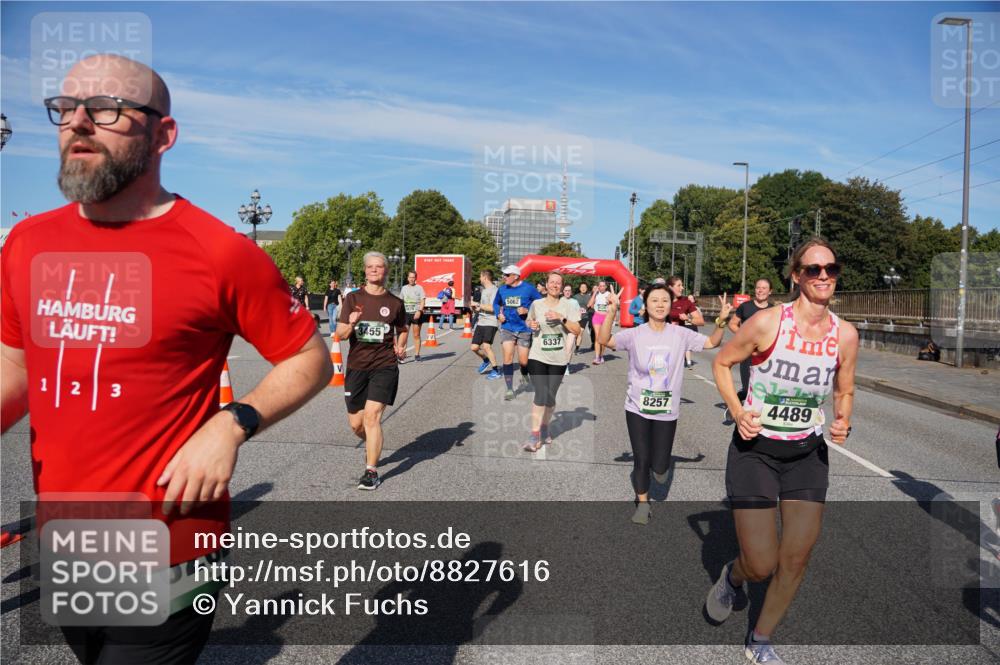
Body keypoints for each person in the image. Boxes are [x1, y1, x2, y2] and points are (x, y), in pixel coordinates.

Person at [0, 54, 332, 664]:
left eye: (106, 109)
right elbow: (16, 366)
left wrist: (233, 424)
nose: (78, 123)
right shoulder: (27, 242)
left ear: (163, 134)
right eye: (65, 109)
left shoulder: (218, 253)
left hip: (170, 543)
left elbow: (310, 359)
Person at [706, 238, 858, 665]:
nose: (823, 275)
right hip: (756, 451)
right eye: (813, 269)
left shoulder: (845, 334)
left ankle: (760, 639)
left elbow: (844, 388)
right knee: (760, 563)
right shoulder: (768, 323)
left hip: (807, 456)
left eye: (831, 267)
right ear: (796, 276)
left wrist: (843, 418)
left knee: (795, 558)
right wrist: (737, 412)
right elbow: (721, 363)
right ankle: (733, 578)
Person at [598, 285, 732, 524]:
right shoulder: (635, 334)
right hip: (636, 406)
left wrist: (721, 321)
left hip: (667, 410)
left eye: (664, 300)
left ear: (671, 305)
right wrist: (611, 312)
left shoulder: (680, 334)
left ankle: (660, 469)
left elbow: (711, 342)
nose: (660, 305)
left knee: (659, 466)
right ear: (646, 305)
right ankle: (642, 503)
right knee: (641, 459)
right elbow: (604, 339)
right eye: (654, 300)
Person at [337, 252, 408, 490]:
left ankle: (371, 471)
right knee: (357, 425)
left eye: (379, 267)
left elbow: (403, 329)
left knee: (372, 417)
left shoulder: (395, 303)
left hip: (384, 365)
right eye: (370, 267)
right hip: (357, 366)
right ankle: (373, 444)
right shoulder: (352, 299)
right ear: (365, 271)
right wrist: (353, 322)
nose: (375, 270)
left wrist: (400, 345)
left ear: (386, 271)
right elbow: (341, 335)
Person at [522, 272, 582, 452]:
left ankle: (545, 426)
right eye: (552, 282)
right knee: (540, 393)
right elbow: (529, 320)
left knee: (550, 397)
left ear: (562, 287)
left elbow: (577, 330)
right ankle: (534, 436)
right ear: (546, 285)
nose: (555, 285)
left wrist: (561, 318)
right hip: (538, 355)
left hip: (559, 358)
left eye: (558, 283)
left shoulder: (569, 305)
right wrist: (531, 325)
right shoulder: (536, 304)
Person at [493, 265, 543, 401]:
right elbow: (496, 303)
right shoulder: (502, 289)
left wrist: (528, 310)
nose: (504, 277)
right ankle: (509, 389)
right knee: (507, 358)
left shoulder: (529, 288)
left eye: (507, 275)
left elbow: (540, 303)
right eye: (504, 275)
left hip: (524, 328)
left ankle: (524, 374)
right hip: (507, 327)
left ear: (516, 276)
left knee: (523, 361)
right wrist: (498, 314)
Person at [728, 278, 775, 403]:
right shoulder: (745, 306)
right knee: (748, 387)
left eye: (764, 288)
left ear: (770, 291)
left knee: (763, 388)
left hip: (765, 354)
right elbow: (732, 324)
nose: (760, 291)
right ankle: (739, 401)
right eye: (758, 288)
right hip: (747, 353)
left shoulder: (773, 310)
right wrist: (745, 336)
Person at [667, 276, 704, 368]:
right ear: (670, 287)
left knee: (671, 376)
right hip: (660, 343)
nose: (682, 288)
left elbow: (701, 321)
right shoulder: (661, 300)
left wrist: (688, 318)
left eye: (682, 285)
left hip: (677, 344)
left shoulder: (686, 302)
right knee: (656, 374)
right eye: (679, 285)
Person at [471, 270, 501, 380]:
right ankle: (486, 360)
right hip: (481, 321)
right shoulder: (484, 291)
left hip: (490, 322)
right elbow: (483, 307)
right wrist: (476, 308)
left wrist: (478, 304)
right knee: (474, 347)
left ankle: (496, 370)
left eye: (480, 276)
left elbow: (493, 308)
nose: (479, 278)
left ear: (485, 277)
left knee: (486, 346)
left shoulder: (494, 290)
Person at [399, 271, 426, 362]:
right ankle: (402, 354)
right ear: (407, 278)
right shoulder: (404, 288)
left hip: (416, 314)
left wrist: (419, 311)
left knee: (416, 335)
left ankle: (417, 354)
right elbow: (400, 301)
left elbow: (422, 300)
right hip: (406, 314)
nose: (411, 279)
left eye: (413, 277)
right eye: (410, 277)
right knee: (404, 335)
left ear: (416, 278)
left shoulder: (419, 288)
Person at [588, 281, 613, 364]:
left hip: (606, 318)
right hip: (597, 317)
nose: (601, 287)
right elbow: (589, 304)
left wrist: (609, 301)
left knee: (603, 339)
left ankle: (601, 356)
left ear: (606, 287)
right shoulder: (596, 294)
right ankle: (597, 357)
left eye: (603, 286)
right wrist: (594, 293)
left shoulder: (609, 294)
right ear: (598, 287)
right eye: (600, 286)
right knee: (598, 337)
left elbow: (614, 303)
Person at [560, 284, 583, 374]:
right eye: (566, 290)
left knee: (569, 349)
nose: (567, 292)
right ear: (563, 291)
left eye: (569, 290)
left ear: (571, 292)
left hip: (571, 328)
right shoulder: (559, 301)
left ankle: (566, 367)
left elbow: (578, 315)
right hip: (561, 328)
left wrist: (579, 315)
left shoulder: (575, 302)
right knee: (561, 349)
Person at [573, 282, 593, 354]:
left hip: (584, 317)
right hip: (576, 317)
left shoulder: (589, 297)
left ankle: (577, 348)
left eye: (585, 287)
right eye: (582, 287)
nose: (583, 288)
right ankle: (576, 343)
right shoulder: (575, 297)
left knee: (580, 332)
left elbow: (591, 306)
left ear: (587, 288)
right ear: (579, 288)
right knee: (576, 333)